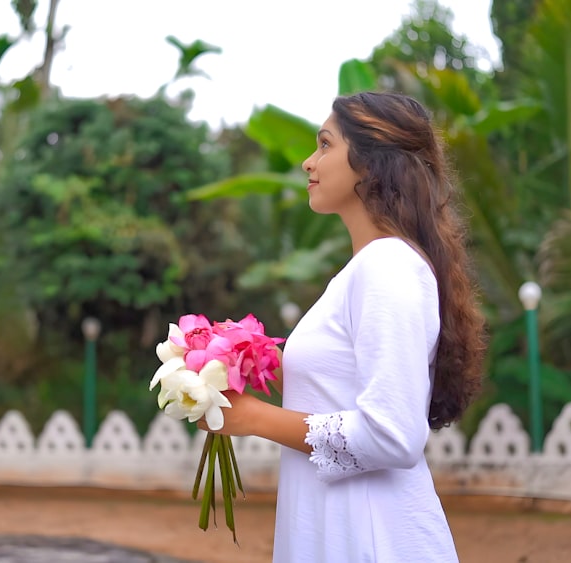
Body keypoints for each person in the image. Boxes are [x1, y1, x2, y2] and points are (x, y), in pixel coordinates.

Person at [198, 91, 488, 561]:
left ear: (371, 164)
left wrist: (252, 418)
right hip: (339, 529)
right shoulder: (362, 271)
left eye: (326, 145)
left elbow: (393, 435)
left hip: (374, 539)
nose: (309, 162)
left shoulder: (387, 265)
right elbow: (338, 391)